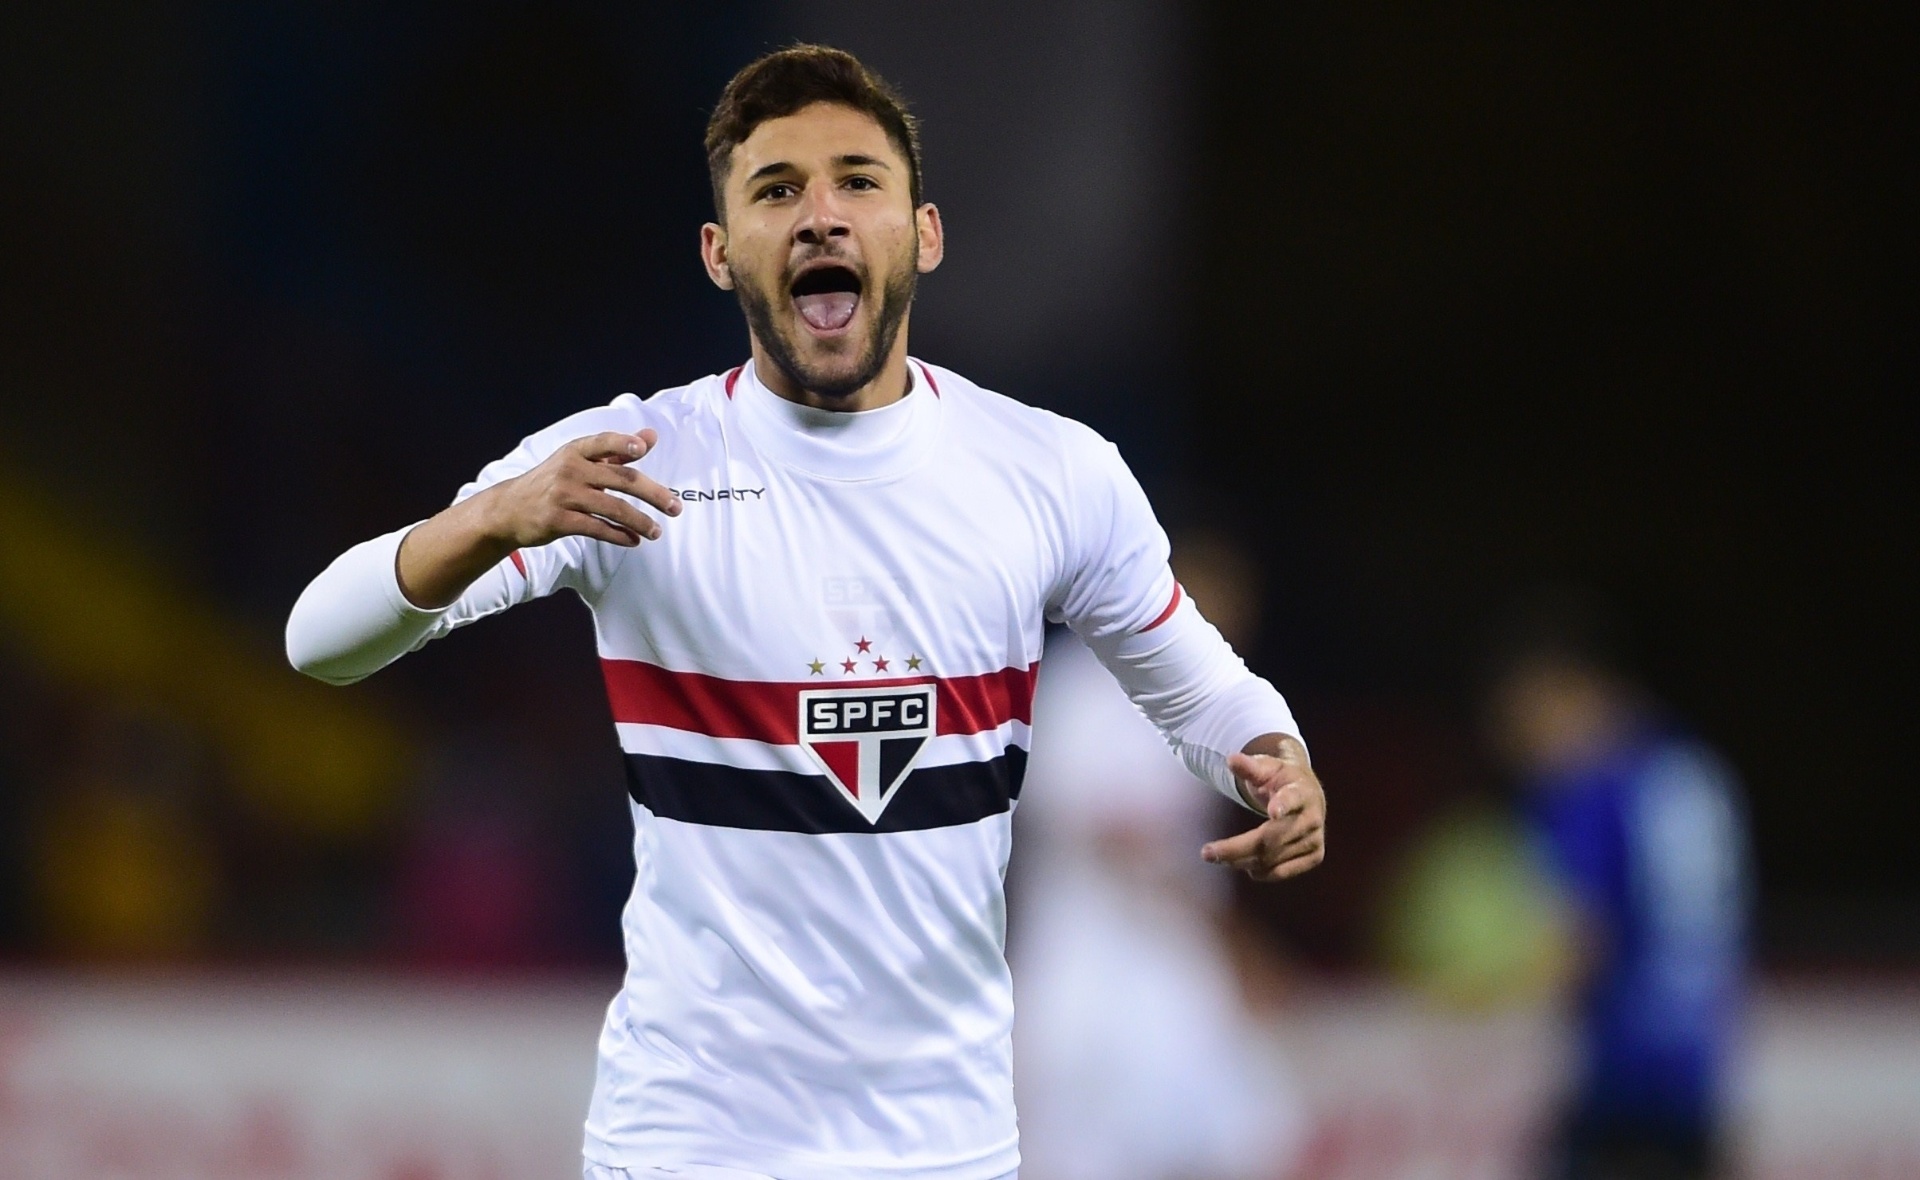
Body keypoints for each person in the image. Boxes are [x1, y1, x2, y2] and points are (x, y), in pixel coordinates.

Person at [286, 45, 1325, 1180]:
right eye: (777, 189)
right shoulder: (628, 460)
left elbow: (1198, 684)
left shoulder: (1050, 472)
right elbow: (318, 644)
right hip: (688, 1149)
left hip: (944, 1152)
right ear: (721, 254)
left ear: (922, 234)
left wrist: (1274, 755)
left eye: (857, 181)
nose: (820, 216)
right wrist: (488, 519)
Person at [1011, 530, 1306, 1180]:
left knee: (1253, 1137)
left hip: (1167, 981)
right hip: (1088, 986)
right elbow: (1120, 843)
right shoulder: (1084, 687)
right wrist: (1235, 945)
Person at [1480, 592, 1749, 1180]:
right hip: (1700, 1080)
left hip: (1623, 1091)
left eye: (1524, 712)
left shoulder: (1589, 790)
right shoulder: (1693, 771)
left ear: (1575, 692)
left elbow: (1584, 941)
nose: (1514, 738)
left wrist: (1479, 985)